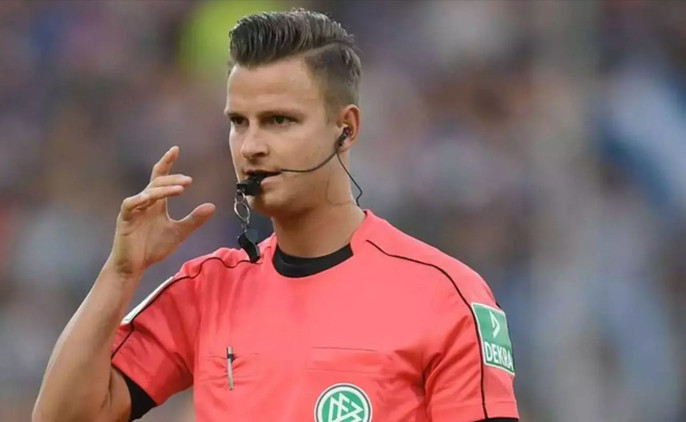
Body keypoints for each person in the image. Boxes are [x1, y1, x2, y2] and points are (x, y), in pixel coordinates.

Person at [33, 9, 519, 422]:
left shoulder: (445, 297)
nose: (251, 146)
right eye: (238, 122)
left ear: (345, 129)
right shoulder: (207, 291)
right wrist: (121, 272)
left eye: (279, 120)